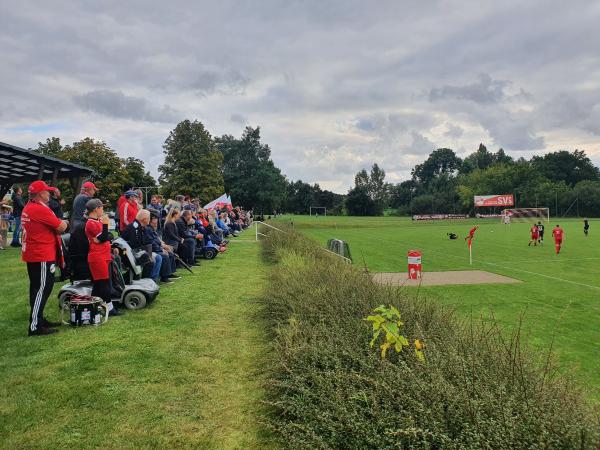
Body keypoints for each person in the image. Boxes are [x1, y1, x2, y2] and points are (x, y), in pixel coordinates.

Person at [21, 180, 69, 336]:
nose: (49, 194)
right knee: (42, 288)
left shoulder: (29, 207)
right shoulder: (39, 209)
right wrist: (64, 223)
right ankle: (35, 325)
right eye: (47, 191)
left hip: (34, 253)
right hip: (42, 254)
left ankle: (39, 319)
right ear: (41, 194)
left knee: (37, 288)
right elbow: (61, 227)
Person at [85, 199, 122, 316]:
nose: (103, 210)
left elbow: (107, 236)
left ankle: (91, 307)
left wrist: (104, 234)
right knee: (104, 283)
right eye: (101, 208)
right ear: (96, 209)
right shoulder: (90, 222)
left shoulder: (98, 221)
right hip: (97, 257)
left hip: (103, 255)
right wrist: (105, 225)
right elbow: (104, 237)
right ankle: (109, 308)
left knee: (99, 284)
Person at [121, 209, 161, 280]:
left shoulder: (141, 226)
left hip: (134, 251)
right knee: (150, 260)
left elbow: (145, 242)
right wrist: (146, 252)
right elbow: (134, 244)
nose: (149, 221)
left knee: (154, 258)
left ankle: (151, 280)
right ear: (144, 219)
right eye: (149, 218)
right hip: (128, 254)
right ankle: (145, 280)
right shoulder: (135, 227)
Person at [145, 214, 180, 283]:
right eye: (154, 222)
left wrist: (163, 245)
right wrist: (161, 249)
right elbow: (152, 242)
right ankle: (164, 277)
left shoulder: (152, 229)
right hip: (152, 249)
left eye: (156, 222)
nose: (156, 224)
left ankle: (169, 273)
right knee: (164, 256)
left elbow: (157, 240)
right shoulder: (148, 229)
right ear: (151, 221)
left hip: (156, 247)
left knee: (170, 253)